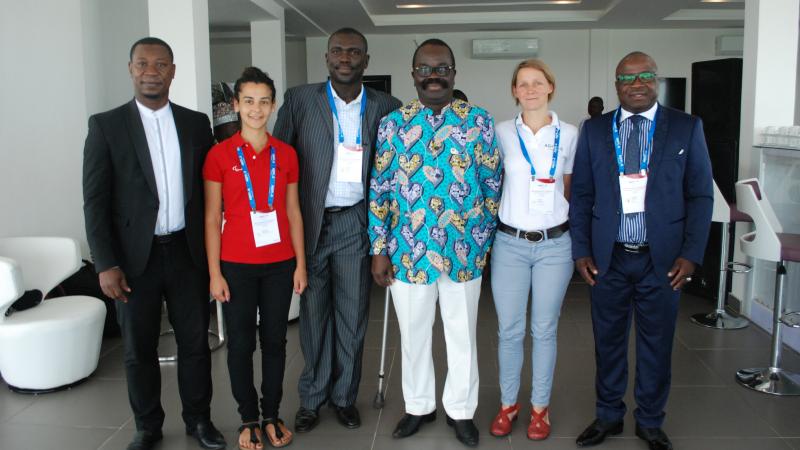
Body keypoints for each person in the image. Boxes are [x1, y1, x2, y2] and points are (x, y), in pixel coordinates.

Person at [82, 37, 225, 450]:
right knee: (137, 348)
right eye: (142, 63)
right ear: (130, 69)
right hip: (131, 260)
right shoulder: (106, 126)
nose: (151, 71)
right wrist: (104, 263)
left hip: (187, 253)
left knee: (195, 344)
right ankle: (148, 426)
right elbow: (95, 201)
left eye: (160, 64)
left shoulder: (197, 124)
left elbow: (209, 192)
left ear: (172, 72)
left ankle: (199, 421)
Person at [569, 51, 713, 450]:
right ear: (616, 85)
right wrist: (581, 249)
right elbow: (581, 194)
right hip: (608, 257)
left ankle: (650, 421)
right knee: (608, 342)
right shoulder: (595, 130)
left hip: (662, 259)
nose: (637, 84)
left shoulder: (686, 127)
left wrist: (692, 253)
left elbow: (701, 196)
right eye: (627, 78)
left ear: (656, 79)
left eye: (646, 75)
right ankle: (608, 415)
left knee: (657, 343)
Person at [368, 38, 503, 448]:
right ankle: (418, 405)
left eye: (441, 67)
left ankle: (461, 410)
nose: (433, 75)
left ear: (453, 73)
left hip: (463, 251)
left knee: (462, 335)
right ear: (413, 75)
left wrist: (480, 242)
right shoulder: (393, 123)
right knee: (413, 334)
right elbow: (381, 189)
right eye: (424, 68)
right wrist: (379, 248)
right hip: (408, 252)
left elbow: (493, 184)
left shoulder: (478, 121)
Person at [272, 27, 401, 433]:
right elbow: (281, 162)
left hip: (356, 222)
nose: (345, 57)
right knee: (313, 316)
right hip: (310, 223)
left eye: (354, 52)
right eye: (338, 51)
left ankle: (344, 396)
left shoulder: (386, 106)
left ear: (367, 59)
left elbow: (394, 171)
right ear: (327, 58)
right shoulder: (299, 99)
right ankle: (312, 398)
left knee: (352, 314)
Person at [204, 67, 307, 450]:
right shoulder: (219, 155)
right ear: (236, 105)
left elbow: (294, 212)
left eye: (264, 101)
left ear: (273, 105)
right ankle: (248, 418)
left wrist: (301, 264)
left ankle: (272, 413)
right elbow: (213, 217)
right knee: (241, 344)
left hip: (280, 263)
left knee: (277, 343)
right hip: (236, 265)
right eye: (248, 101)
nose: (256, 109)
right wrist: (214, 273)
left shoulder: (287, 154)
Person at [488, 59, 577, 441]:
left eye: (537, 82)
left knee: (544, 330)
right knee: (509, 331)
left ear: (551, 87)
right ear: (514, 90)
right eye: (522, 84)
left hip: (555, 245)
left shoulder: (571, 134)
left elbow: (571, 189)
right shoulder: (500, 132)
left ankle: (540, 408)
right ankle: (509, 405)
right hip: (509, 243)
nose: (530, 89)